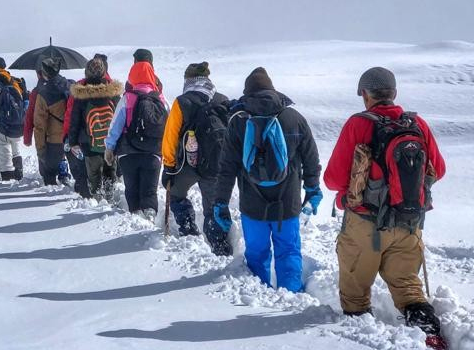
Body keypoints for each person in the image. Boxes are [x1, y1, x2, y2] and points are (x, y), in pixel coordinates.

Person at [324, 67, 446, 346]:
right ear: (394, 93)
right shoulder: (417, 124)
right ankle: (430, 335)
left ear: (365, 95)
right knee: (408, 287)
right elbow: (438, 169)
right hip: (408, 222)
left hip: (364, 224)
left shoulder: (359, 124)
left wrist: (350, 193)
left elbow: (332, 179)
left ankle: (359, 340)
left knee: (355, 294)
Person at [213, 67, 322, 293]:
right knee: (289, 250)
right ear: (272, 90)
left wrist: (221, 202)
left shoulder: (238, 122)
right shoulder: (294, 119)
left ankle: (259, 295)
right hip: (287, 203)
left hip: (253, 204)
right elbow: (311, 158)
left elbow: (226, 169)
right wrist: (312, 189)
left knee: (257, 253)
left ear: (247, 93)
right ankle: (291, 297)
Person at [160, 62, 233, 256]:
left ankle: (188, 231)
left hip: (187, 164)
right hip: (215, 164)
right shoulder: (222, 99)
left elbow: (170, 137)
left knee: (176, 194)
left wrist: (168, 166)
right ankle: (220, 246)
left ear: (188, 80)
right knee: (213, 205)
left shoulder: (182, 101)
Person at [104, 53, 168, 215]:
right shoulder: (161, 99)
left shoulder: (127, 98)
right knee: (149, 191)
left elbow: (115, 126)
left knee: (132, 190)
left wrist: (109, 148)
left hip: (128, 153)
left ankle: (136, 217)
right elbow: (170, 127)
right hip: (153, 153)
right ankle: (150, 217)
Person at [68, 57, 122, 201]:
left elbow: (75, 120)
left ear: (87, 73)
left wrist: (73, 141)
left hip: (89, 142)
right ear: (104, 72)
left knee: (93, 172)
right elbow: (120, 118)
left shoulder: (81, 95)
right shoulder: (114, 93)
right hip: (110, 142)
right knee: (110, 169)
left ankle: (97, 196)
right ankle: (109, 194)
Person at [32, 58, 71, 186]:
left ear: (44, 73)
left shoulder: (43, 93)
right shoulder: (71, 86)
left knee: (49, 176)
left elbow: (39, 125)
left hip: (54, 140)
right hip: (72, 137)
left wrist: (40, 149)